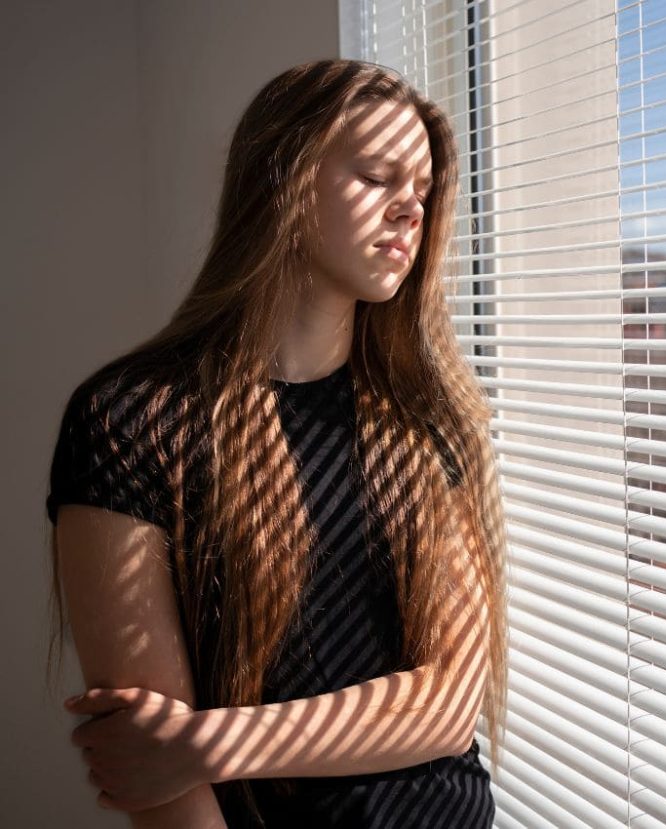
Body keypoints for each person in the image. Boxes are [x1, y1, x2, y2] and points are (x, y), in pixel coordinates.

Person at [44, 59, 508, 828]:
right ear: (283, 179)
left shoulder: (425, 420)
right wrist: (185, 757)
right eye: (376, 177)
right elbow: (155, 778)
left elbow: (452, 703)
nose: (409, 212)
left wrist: (208, 744)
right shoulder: (131, 421)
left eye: (421, 193)